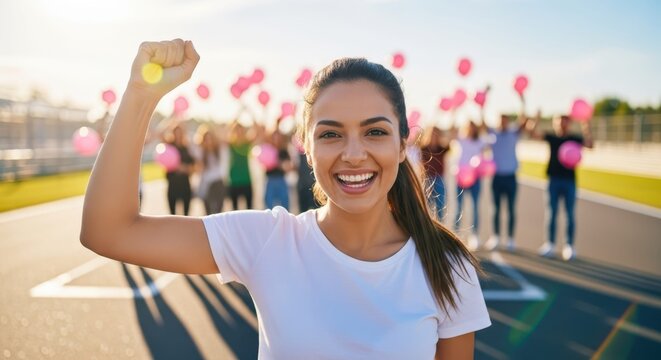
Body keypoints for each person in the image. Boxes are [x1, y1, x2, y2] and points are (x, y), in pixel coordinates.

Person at [80, 39, 490, 358]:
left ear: (403, 144)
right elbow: (108, 231)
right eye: (330, 134)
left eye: (375, 132)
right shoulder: (267, 240)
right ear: (306, 149)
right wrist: (141, 95)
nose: (352, 153)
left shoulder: (447, 265)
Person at [527, 111, 594, 260]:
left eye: (564, 121)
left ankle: (569, 246)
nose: (561, 124)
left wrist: (586, 126)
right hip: (553, 180)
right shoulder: (552, 137)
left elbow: (590, 145)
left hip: (569, 181)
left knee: (570, 214)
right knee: (551, 213)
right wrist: (536, 119)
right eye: (558, 121)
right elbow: (532, 134)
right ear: (554, 123)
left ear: (568, 123)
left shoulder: (574, 138)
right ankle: (550, 244)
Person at [481, 113, 529, 251]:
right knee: (496, 208)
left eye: (505, 121)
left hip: (511, 177)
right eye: (501, 120)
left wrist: (522, 98)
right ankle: (495, 237)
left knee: (511, 209)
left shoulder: (513, 133)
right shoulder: (492, 134)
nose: (503, 123)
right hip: (496, 177)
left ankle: (510, 239)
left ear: (508, 122)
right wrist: (482, 106)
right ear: (498, 121)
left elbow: (523, 121)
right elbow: (483, 123)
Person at [452, 120, 488, 250]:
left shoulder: (480, 141)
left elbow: (487, 141)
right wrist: (454, 112)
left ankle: (474, 236)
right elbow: (452, 130)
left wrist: (481, 112)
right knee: (459, 207)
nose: (471, 130)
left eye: (474, 127)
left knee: (475, 207)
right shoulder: (461, 140)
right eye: (469, 127)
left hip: (475, 178)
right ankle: (455, 235)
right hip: (461, 178)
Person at [194, 124, 229, 215]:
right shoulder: (200, 152)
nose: (209, 141)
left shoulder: (220, 150)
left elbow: (224, 165)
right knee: (208, 212)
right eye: (206, 139)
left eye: (210, 139)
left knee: (219, 211)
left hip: (218, 183)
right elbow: (198, 169)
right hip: (206, 184)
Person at [419, 126, 450, 221]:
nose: (434, 137)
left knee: (440, 206)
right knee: (426, 206)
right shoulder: (423, 148)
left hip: (439, 179)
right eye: (432, 134)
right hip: (427, 179)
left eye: (436, 135)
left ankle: (440, 226)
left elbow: (450, 142)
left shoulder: (442, 148)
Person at [164, 123, 195, 215]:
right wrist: (171, 119)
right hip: (172, 185)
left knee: (186, 215)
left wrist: (184, 168)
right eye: (176, 132)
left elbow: (194, 167)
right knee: (172, 216)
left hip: (185, 185)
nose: (178, 134)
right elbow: (159, 134)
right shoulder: (169, 147)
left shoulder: (186, 148)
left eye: (180, 132)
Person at [227, 121, 255, 210]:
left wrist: (252, 114)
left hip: (246, 180)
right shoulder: (231, 144)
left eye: (240, 130)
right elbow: (221, 135)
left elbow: (258, 131)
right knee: (234, 210)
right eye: (236, 130)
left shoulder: (247, 143)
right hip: (233, 181)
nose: (239, 132)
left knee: (250, 209)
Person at [263, 128, 292, 210]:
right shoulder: (268, 149)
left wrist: (277, 163)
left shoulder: (283, 151)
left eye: (278, 137)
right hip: (270, 180)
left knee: (285, 206)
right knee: (269, 206)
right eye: (274, 137)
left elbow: (288, 167)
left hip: (281, 180)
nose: (276, 139)